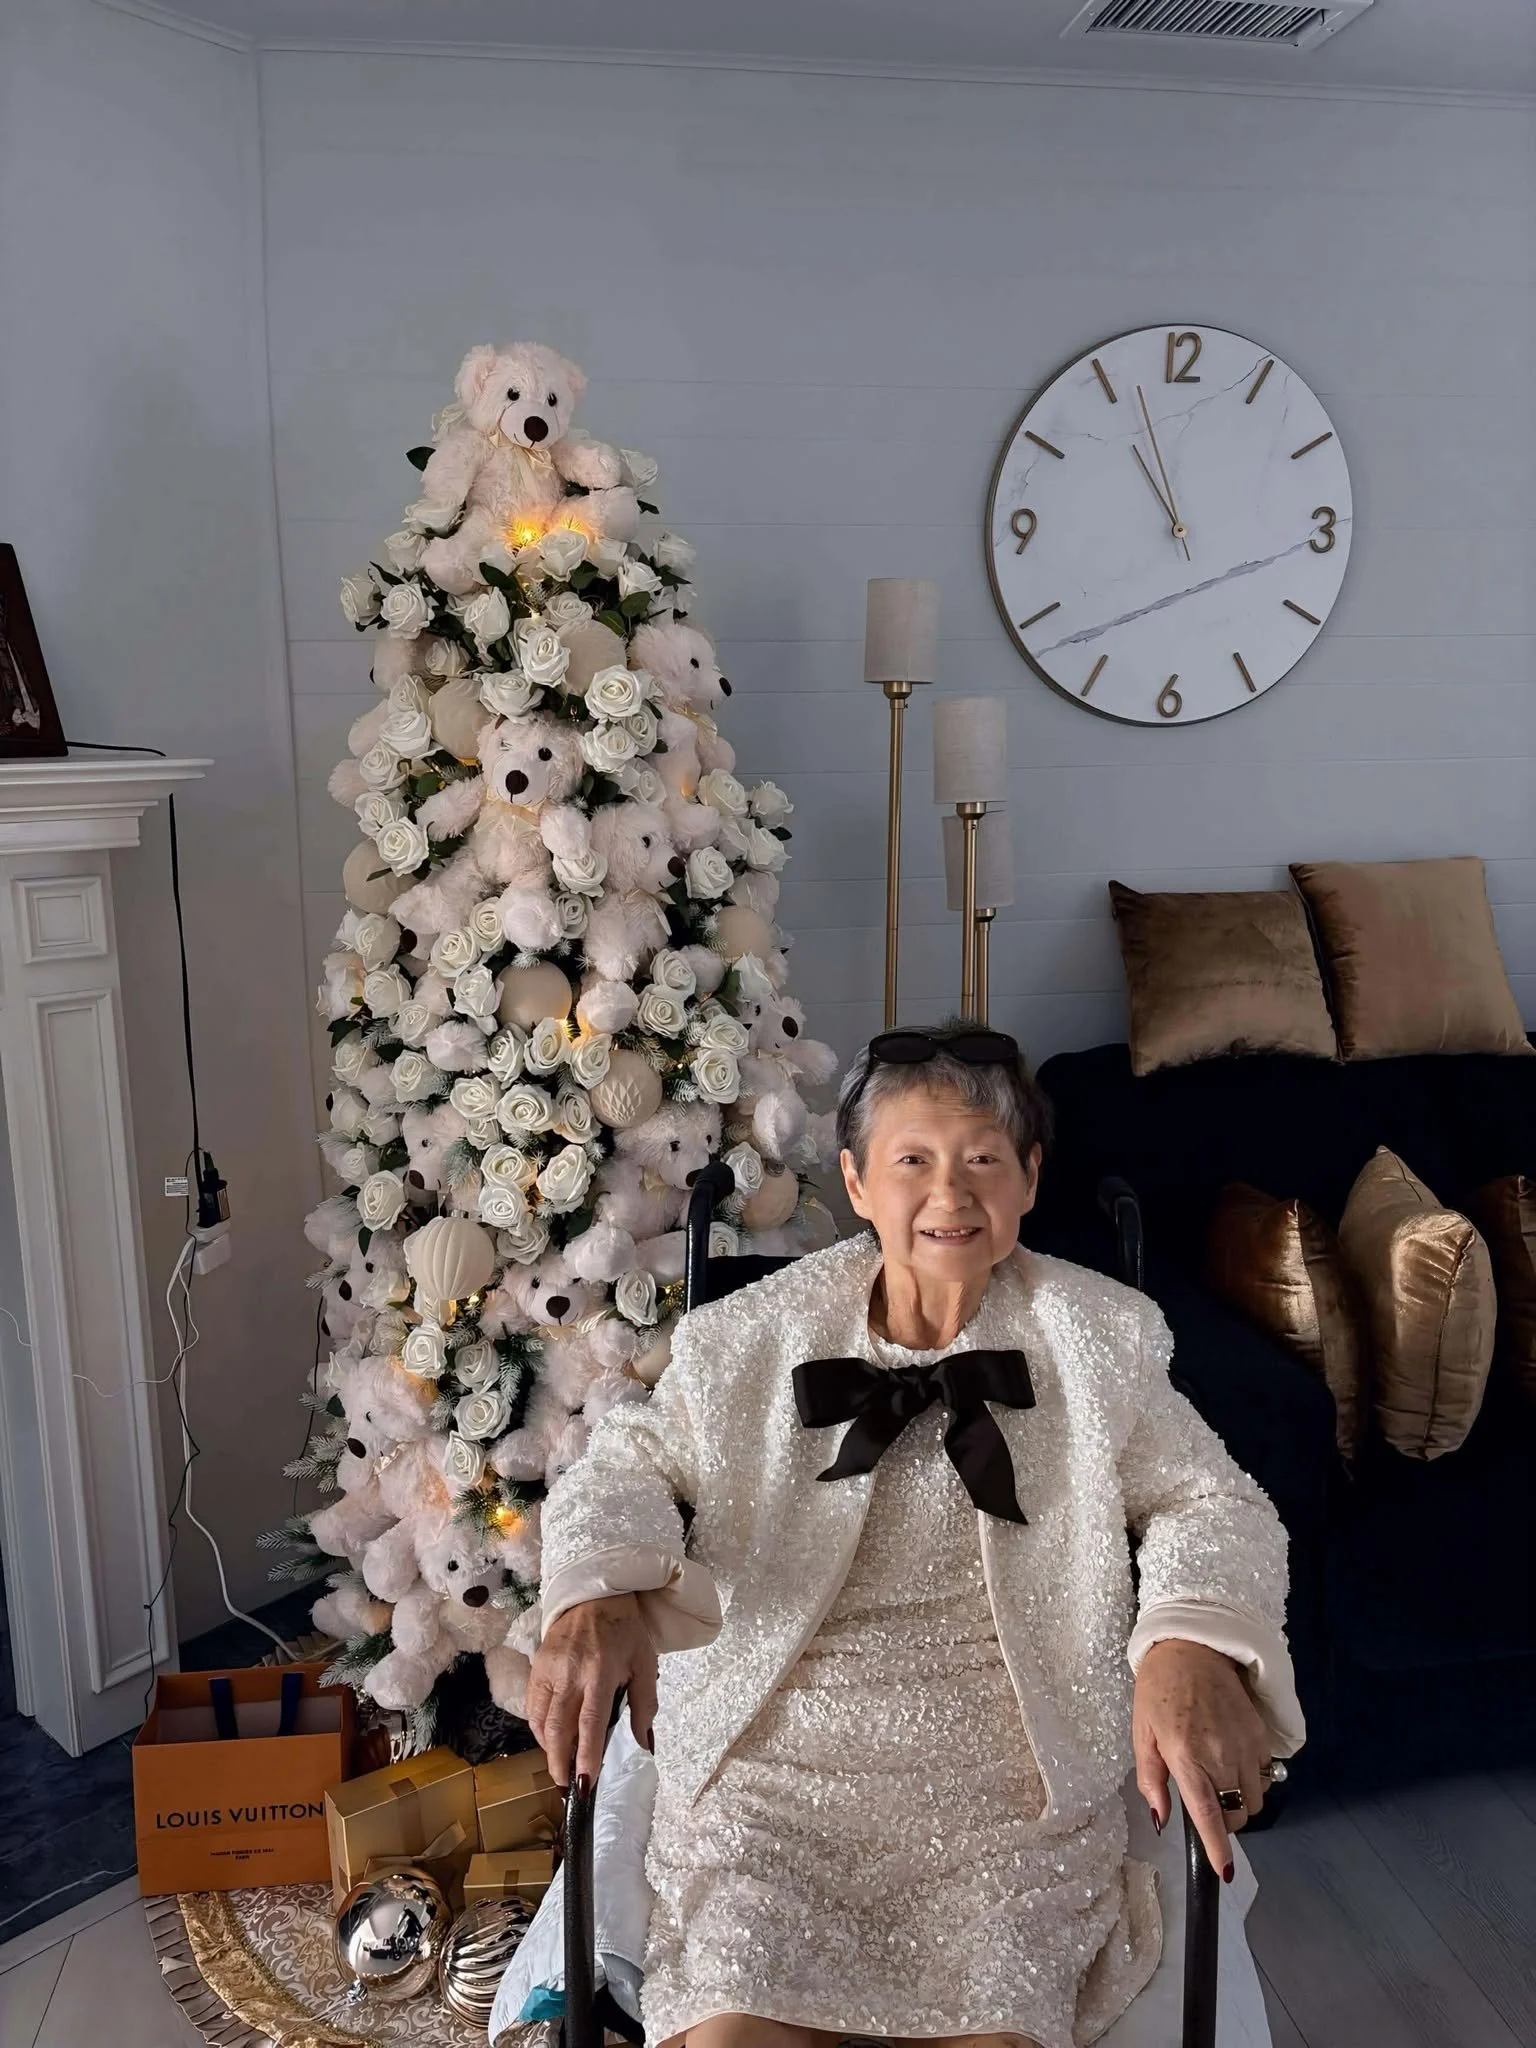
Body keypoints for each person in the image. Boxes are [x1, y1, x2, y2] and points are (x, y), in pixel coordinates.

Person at [529, 1022, 1304, 2048]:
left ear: (1030, 1178)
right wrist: (597, 1593)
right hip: (776, 1780)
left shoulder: (1096, 1336)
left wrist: (1189, 1639)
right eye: (913, 1160)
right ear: (856, 1181)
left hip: (1009, 1790)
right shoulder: (749, 1336)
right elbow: (624, 1463)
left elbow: (1216, 1501)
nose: (951, 1193)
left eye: (984, 1158)